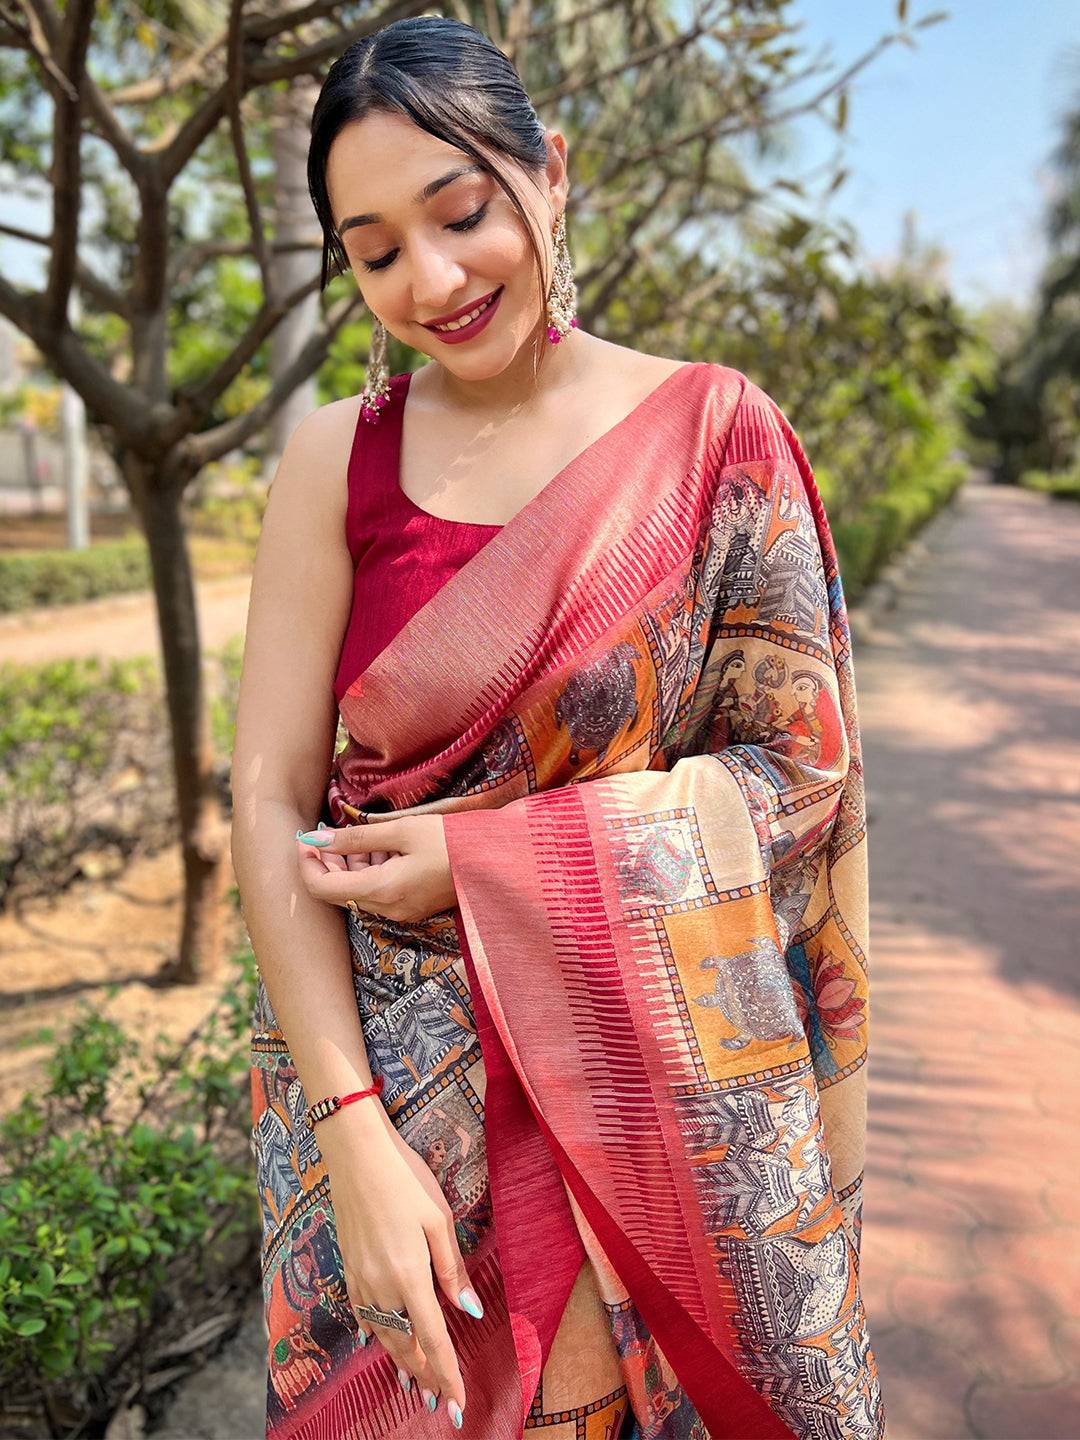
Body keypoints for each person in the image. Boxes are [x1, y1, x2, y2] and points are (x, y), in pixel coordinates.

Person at [231, 14, 886, 1440]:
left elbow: (802, 773)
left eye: (462, 213)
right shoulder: (333, 460)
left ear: (554, 173)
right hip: (404, 1115)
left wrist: (488, 866)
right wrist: (353, 1144)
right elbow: (269, 804)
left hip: (656, 1122)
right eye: (377, 248)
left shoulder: (716, 438)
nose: (434, 278)